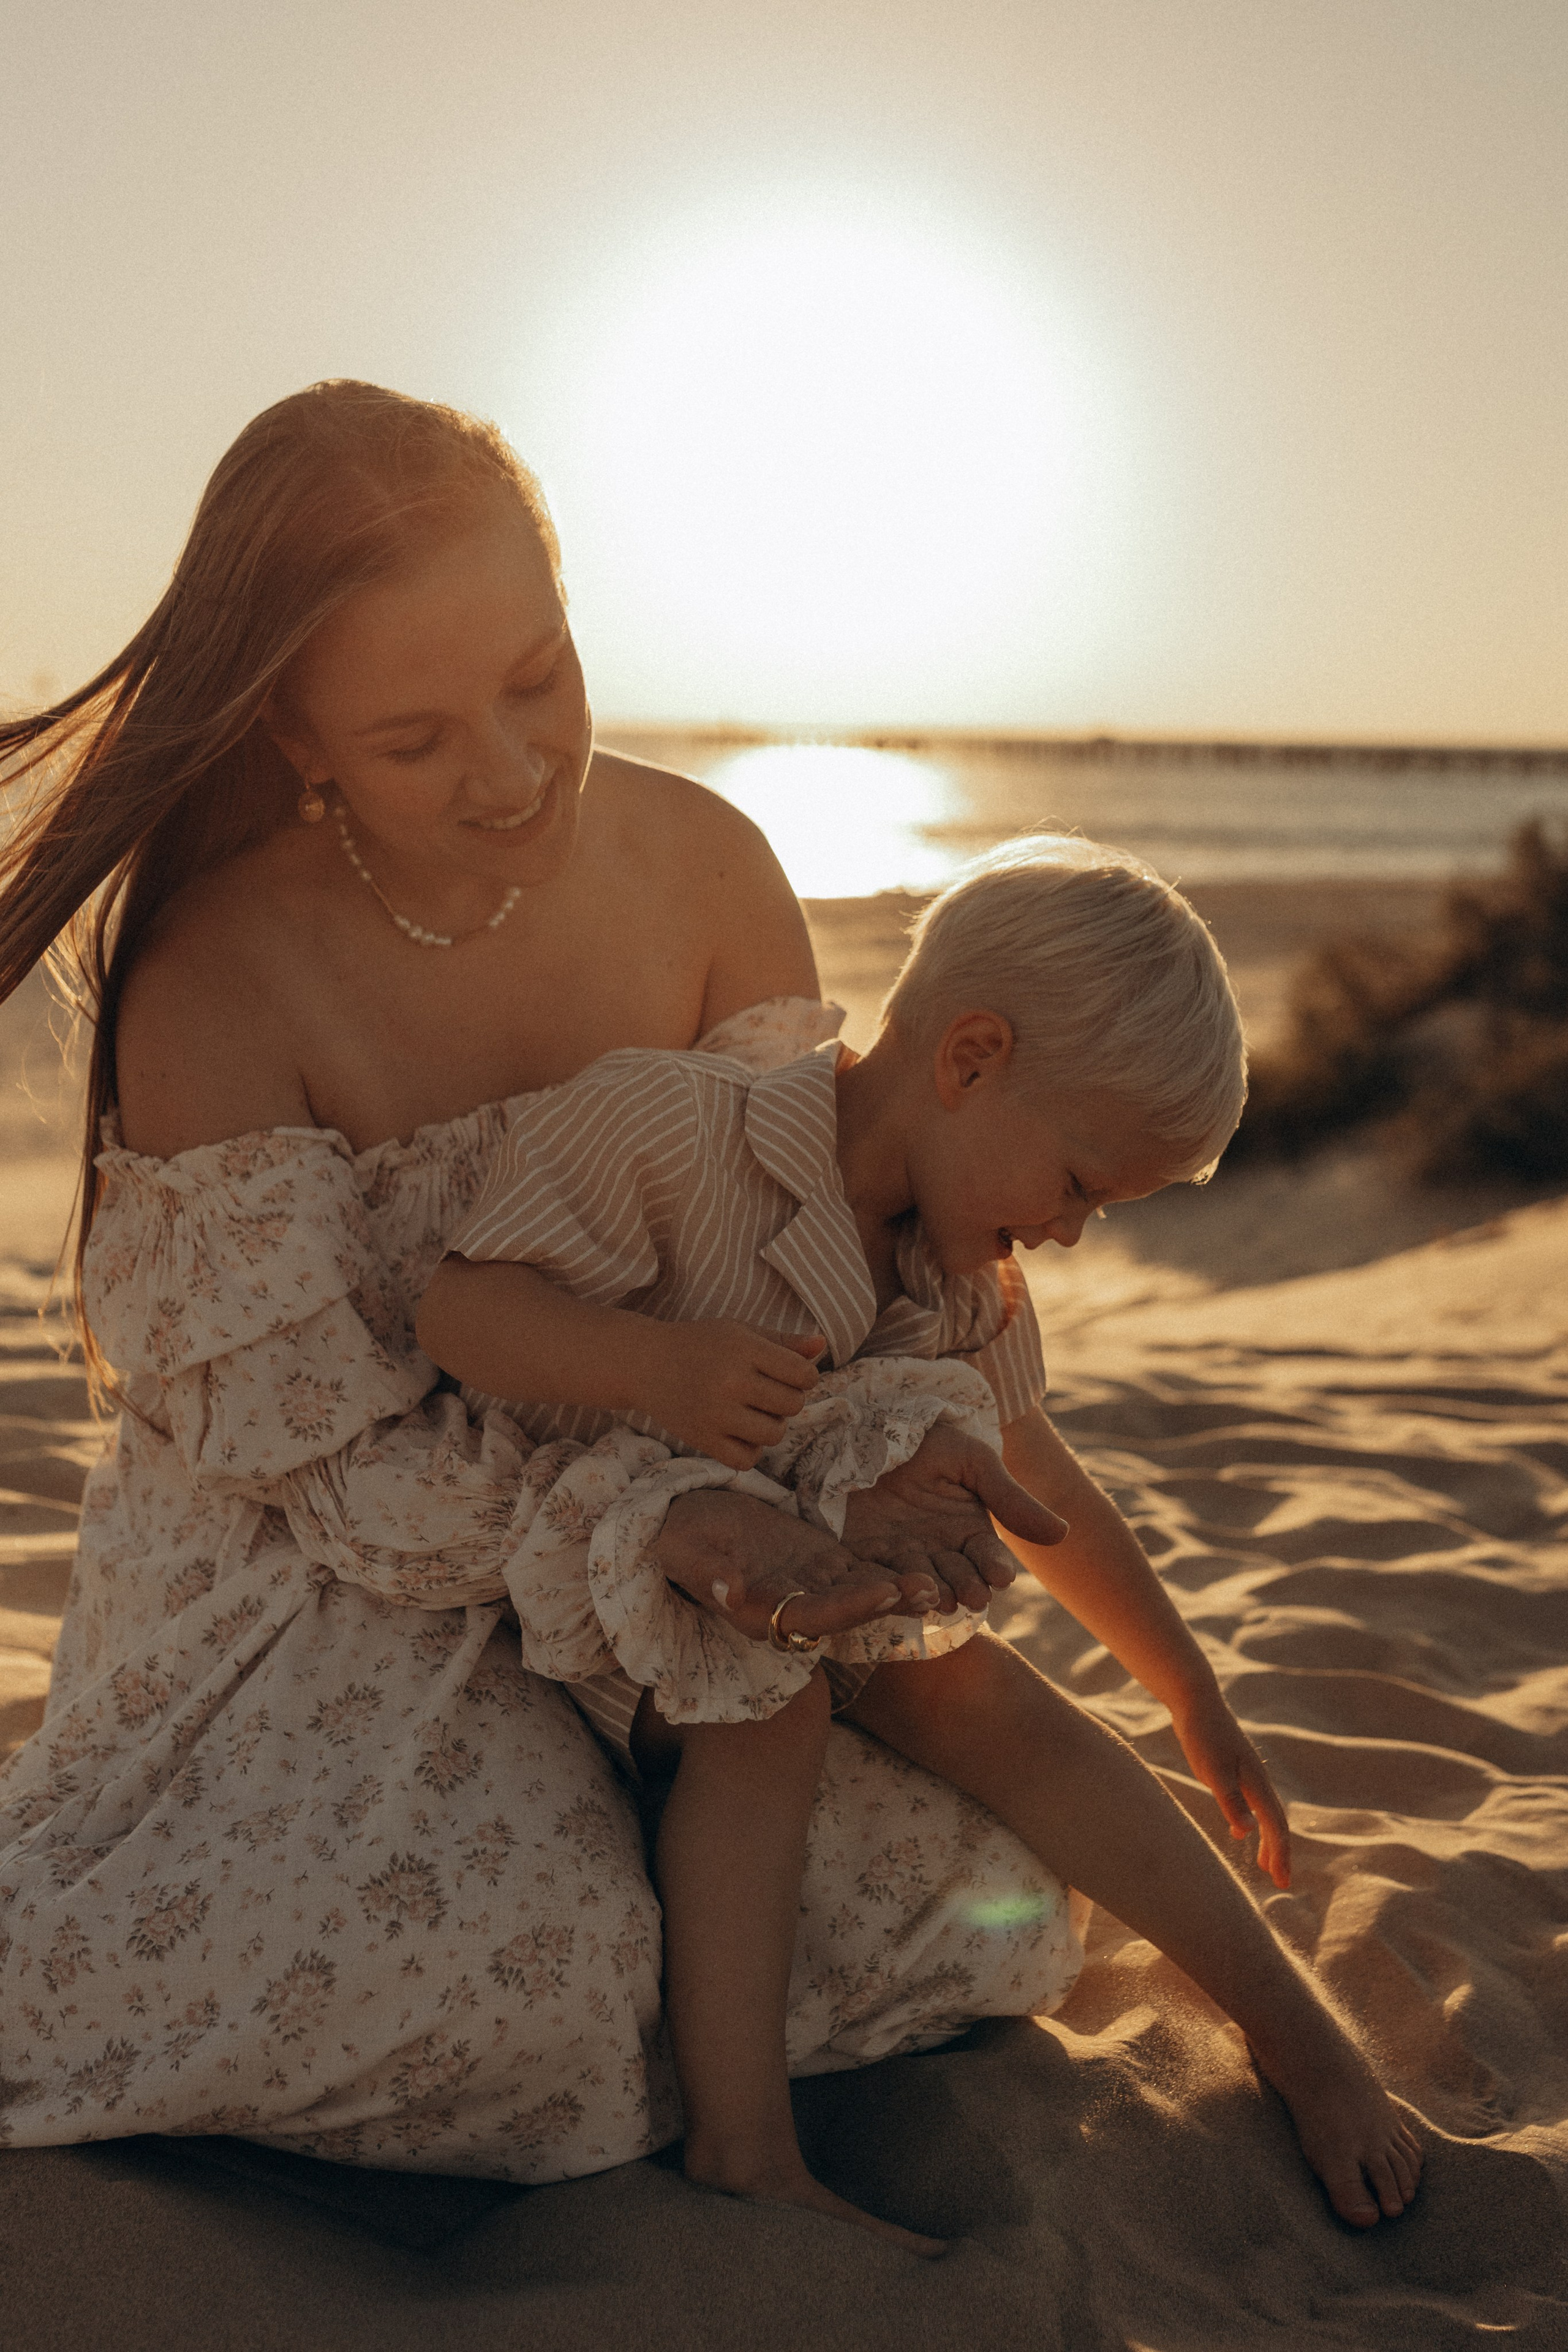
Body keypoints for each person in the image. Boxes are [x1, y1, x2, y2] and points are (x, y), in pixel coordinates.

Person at [0, 380, 1088, 2185]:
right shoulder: (221, 980)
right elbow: (332, 1466)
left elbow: (815, 1268)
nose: (509, 775)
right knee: (535, 1980)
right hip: (340, 1561)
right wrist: (628, 1516)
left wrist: (858, 1470)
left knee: (961, 1911)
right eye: (417, 738)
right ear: (295, 731)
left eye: (540, 679)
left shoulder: (711, 864)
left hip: (691, 1522)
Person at [416, 838, 1425, 2248]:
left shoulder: (964, 1276)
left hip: (816, 1585)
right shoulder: (672, 1125)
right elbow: (455, 1312)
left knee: (985, 1691)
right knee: (762, 1709)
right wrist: (656, 1371)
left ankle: (1294, 2035)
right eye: (1075, 1183)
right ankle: (744, 2150)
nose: (1067, 1236)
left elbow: (1035, 1471)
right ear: (969, 1057)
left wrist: (1186, 1685)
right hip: (601, 1568)